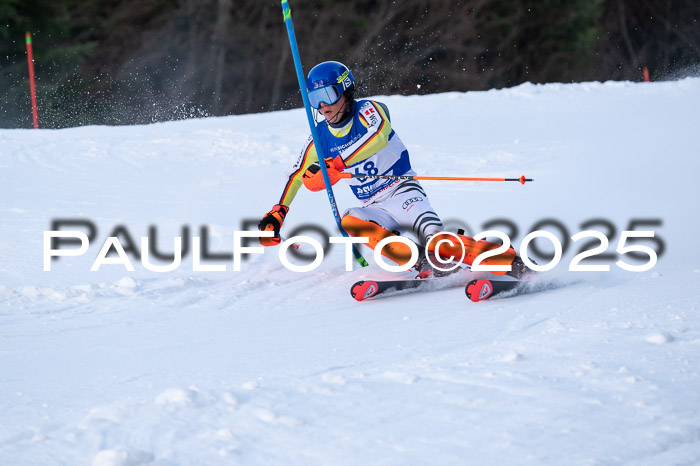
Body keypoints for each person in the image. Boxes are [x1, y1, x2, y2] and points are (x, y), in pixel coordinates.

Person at [258, 61, 530, 279]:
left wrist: (339, 164)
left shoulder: (369, 110)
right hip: (373, 205)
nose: (322, 106)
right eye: (315, 98)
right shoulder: (319, 137)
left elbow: (379, 134)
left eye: (327, 95)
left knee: (440, 243)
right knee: (350, 222)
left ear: (346, 90)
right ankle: (420, 261)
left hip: (403, 192)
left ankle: (510, 261)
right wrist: (278, 213)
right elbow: (296, 175)